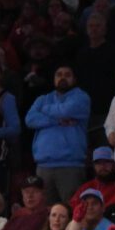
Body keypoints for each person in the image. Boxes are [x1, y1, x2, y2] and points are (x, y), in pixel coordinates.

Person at [25, 64, 91, 203]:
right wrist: (57, 121)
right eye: (59, 75)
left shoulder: (81, 97)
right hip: (43, 166)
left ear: (74, 79)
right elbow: (30, 119)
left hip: (70, 165)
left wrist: (44, 110)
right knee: (46, 212)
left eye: (67, 75)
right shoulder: (43, 99)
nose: (62, 77)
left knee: (73, 209)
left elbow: (66, 111)